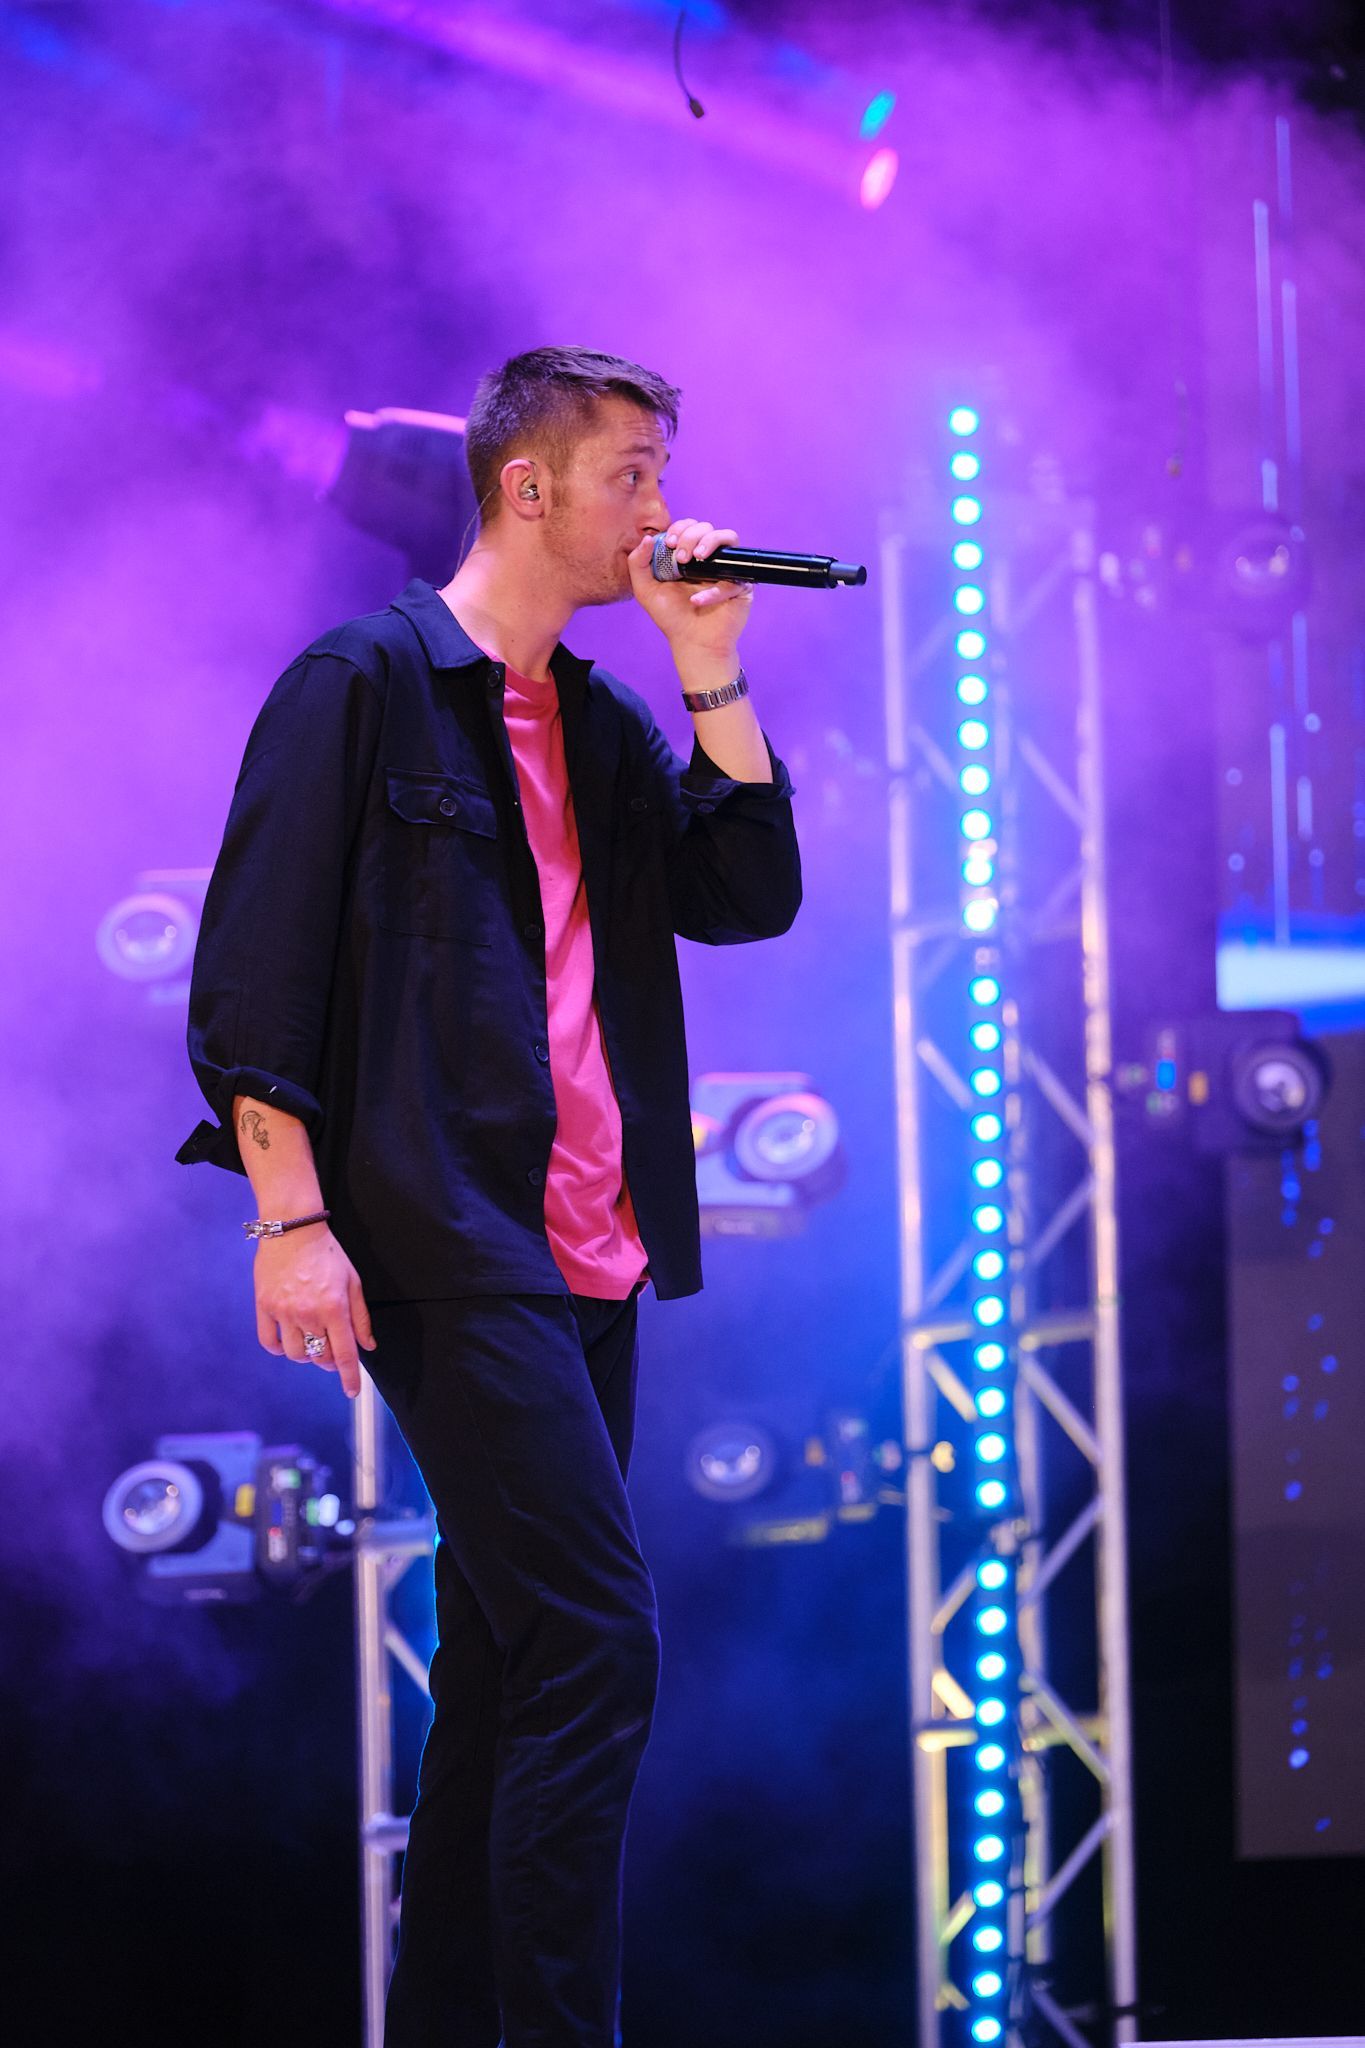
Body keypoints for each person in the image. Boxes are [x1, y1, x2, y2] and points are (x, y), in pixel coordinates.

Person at [177, 345, 802, 2047]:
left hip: (586, 1249)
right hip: (446, 1238)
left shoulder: (593, 713)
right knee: (600, 1645)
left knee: (513, 1665)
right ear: (529, 488)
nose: (663, 512)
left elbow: (744, 892)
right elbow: (253, 979)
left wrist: (712, 677)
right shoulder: (363, 683)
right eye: (635, 475)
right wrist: (290, 1218)